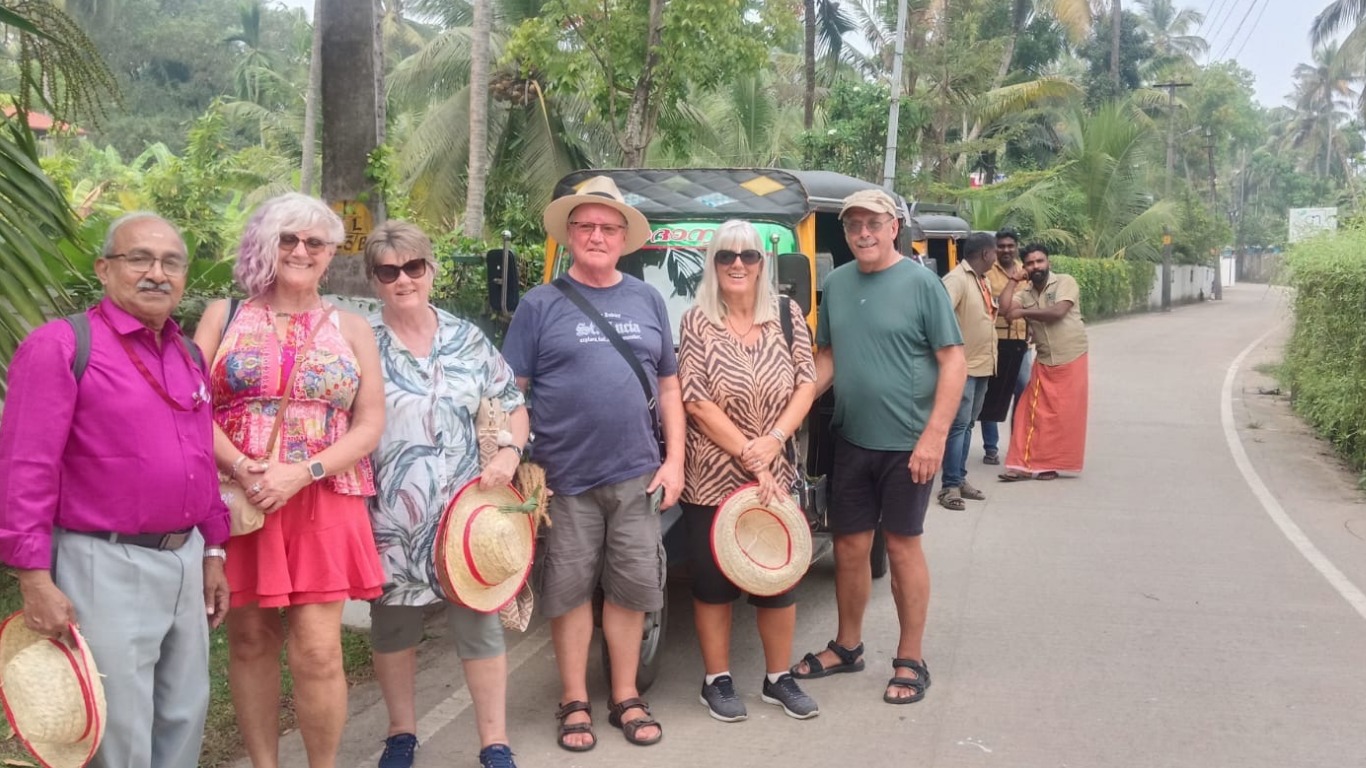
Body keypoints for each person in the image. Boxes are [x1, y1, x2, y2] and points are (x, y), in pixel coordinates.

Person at [0, 212, 230, 767]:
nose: (157, 273)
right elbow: (25, 467)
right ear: (104, 269)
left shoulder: (187, 354)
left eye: (171, 262)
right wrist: (32, 576)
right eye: (139, 259)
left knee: (183, 713)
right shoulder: (61, 346)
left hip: (186, 558)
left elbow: (200, 456)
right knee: (118, 729)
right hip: (103, 561)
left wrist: (215, 548)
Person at [194, 193, 386, 768]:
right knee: (250, 642)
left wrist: (302, 472)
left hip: (323, 498)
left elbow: (370, 422)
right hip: (241, 496)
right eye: (288, 239)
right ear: (264, 243)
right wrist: (239, 465)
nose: (301, 251)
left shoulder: (353, 326)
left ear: (330, 254)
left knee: (320, 652)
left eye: (315, 242)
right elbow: (188, 403)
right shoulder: (221, 315)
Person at [502, 175, 684, 750]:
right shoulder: (539, 304)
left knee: (632, 589)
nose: (597, 235)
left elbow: (670, 387)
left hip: (637, 473)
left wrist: (675, 459)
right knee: (570, 591)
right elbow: (512, 392)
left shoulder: (647, 298)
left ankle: (625, 695)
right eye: (585, 226)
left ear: (625, 237)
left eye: (608, 227)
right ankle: (574, 699)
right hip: (564, 479)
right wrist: (511, 457)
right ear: (570, 234)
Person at [362, 221, 528, 768]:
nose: (403, 279)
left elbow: (512, 402)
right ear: (375, 280)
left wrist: (509, 454)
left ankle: (494, 741)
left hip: (465, 516)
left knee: (478, 627)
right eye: (389, 271)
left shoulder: (467, 338)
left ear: (431, 270)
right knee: (393, 629)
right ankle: (402, 734)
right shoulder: (361, 341)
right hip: (388, 516)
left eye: (413, 267)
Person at [791, 189, 965, 706]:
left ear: (894, 228)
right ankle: (848, 646)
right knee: (848, 547)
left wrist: (934, 436)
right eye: (854, 226)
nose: (863, 233)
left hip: (909, 444)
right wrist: (784, 413)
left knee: (902, 545)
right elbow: (828, 360)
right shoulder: (838, 285)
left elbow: (953, 361)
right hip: (852, 437)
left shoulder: (922, 284)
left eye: (873, 223)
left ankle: (911, 657)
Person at [676, 220, 819, 723]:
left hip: (774, 471)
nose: (738, 264)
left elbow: (807, 382)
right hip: (712, 475)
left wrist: (773, 442)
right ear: (713, 264)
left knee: (778, 578)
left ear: (763, 263)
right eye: (726, 256)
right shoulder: (696, 320)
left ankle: (778, 677)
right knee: (714, 583)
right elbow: (695, 399)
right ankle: (716, 679)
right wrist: (748, 452)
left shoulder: (787, 314)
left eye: (749, 256)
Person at [998, 243, 1089, 481]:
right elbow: (1005, 310)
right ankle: (1021, 466)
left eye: (1039, 261)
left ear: (1048, 262)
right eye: (1029, 263)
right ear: (1025, 267)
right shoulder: (1025, 292)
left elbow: (1057, 313)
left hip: (1072, 356)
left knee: (1060, 417)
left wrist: (1024, 314)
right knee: (1027, 411)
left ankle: (1049, 465)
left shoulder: (1065, 282)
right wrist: (1012, 280)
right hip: (1045, 359)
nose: (1035, 266)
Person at [938, 232, 999, 510]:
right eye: (994, 252)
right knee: (958, 426)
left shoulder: (982, 281)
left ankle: (959, 479)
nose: (996, 257)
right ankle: (949, 486)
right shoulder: (957, 279)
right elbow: (939, 317)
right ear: (986, 253)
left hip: (982, 366)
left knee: (967, 425)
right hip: (963, 368)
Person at [979, 228, 1032, 464]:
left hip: (1022, 344)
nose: (1006, 250)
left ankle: (1018, 447)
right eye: (1001, 246)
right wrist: (1009, 305)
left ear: (1016, 247)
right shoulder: (988, 272)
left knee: (1023, 394)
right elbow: (989, 304)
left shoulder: (1027, 270)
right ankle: (991, 448)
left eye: (1010, 246)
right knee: (992, 395)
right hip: (995, 342)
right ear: (994, 248)